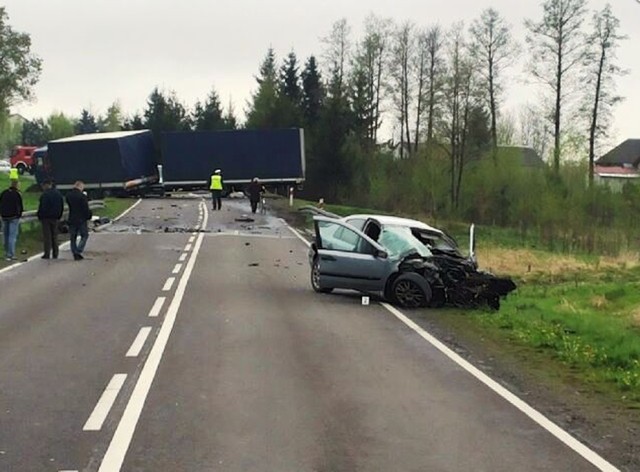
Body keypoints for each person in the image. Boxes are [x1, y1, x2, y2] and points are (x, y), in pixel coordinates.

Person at [37, 180, 64, 259]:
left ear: (46, 185)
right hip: (55, 218)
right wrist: (59, 215)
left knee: (47, 236)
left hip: (46, 218)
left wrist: (40, 215)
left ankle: (47, 253)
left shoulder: (45, 195)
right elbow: (61, 206)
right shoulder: (58, 194)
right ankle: (55, 253)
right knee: (54, 236)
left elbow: (42, 207)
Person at [65, 181, 92, 261]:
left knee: (73, 237)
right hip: (81, 219)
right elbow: (85, 208)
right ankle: (79, 250)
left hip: (72, 218)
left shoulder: (68, 195)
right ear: (80, 186)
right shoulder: (82, 196)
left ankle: (74, 251)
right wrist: (88, 216)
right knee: (84, 235)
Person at [0, 179, 23, 261]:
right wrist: (19, 215)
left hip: (4, 216)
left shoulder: (4, 192)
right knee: (12, 236)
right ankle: (11, 254)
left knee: (5, 235)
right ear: (17, 185)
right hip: (14, 217)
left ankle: (6, 253)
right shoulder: (17, 194)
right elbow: (20, 206)